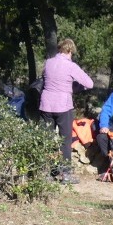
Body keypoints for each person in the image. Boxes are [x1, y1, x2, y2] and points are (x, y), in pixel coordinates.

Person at [39, 38, 94, 183]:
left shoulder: (48, 63)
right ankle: (65, 174)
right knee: (65, 140)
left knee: (47, 139)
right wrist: (76, 88)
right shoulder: (71, 66)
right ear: (70, 51)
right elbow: (89, 83)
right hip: (63, 105)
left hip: (46, 104)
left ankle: (47, 172)